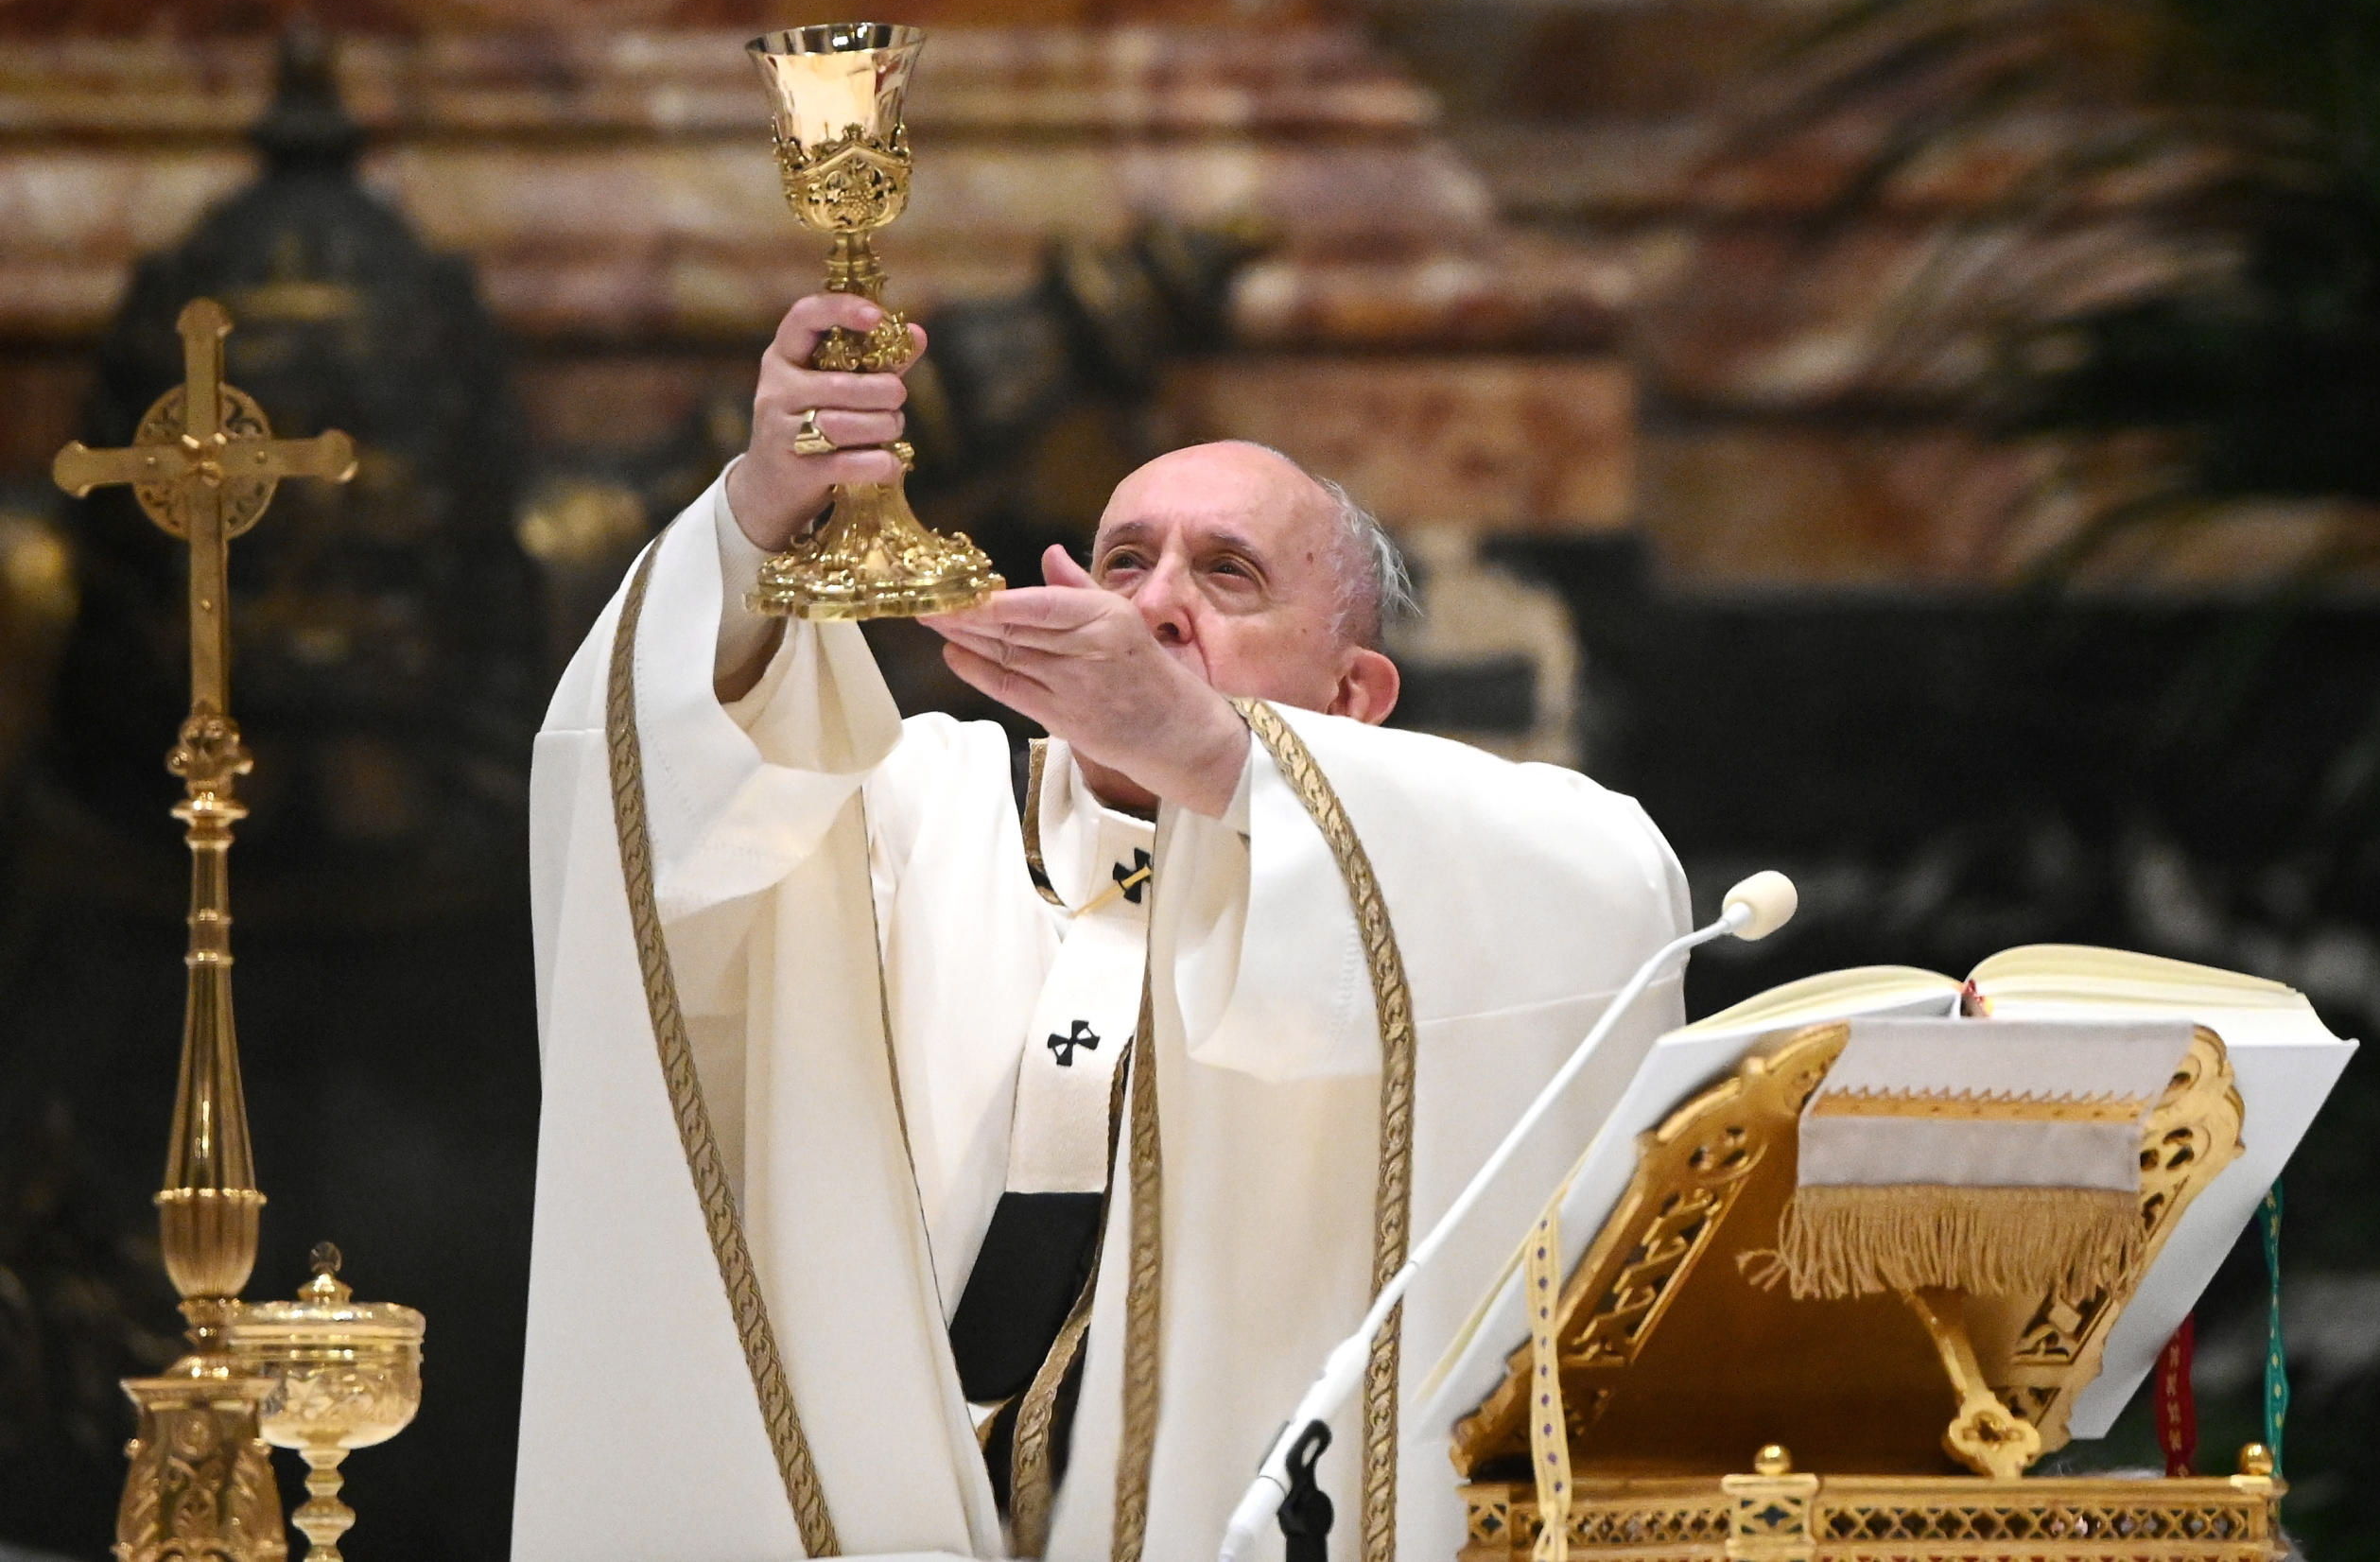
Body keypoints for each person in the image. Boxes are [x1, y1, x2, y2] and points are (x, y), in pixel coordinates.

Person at [515, 294, 1692, 1562]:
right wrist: (758, 512)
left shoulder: (1439, 861)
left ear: (1355, 694)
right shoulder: (914, 809)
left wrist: (1209, 754)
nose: (1156, 604)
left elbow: (1618, 894)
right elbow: (655, 797)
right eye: (1125, 563)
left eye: (1228, 574)